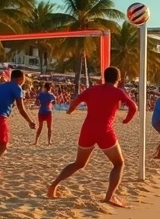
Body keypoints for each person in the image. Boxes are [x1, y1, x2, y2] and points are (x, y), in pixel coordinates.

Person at [47, 66, 137, 207]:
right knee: (118, 164)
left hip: (87, 130)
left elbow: (76, 100)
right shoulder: (118, 92)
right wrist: (126, 120)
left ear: (104, 77)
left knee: (79, 163)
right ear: (118, 79)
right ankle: (109, 196)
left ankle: (53, 186)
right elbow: (133, 107)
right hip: (105, 131)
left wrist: (70, 110)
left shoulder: (92, 90)